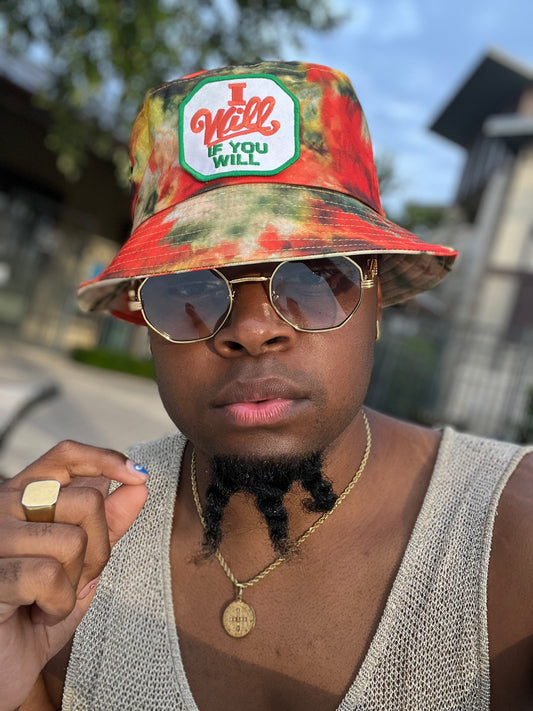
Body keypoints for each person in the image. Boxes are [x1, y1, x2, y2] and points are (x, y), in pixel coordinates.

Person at [1, 61, 532, 711]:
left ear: (376, 299)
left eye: (314, 274)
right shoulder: (66, 561)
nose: (252, 330)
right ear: (144, 318)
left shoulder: (512, 536)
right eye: (189, 286)